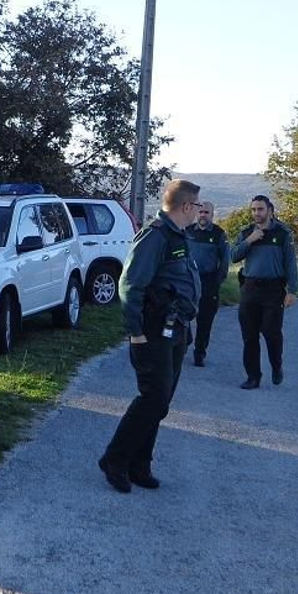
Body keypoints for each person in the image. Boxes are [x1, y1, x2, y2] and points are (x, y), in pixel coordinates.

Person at [98, 179, 202, 493]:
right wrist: (136, 332)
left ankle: (139, 465)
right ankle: (114, 460)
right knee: (152, 399)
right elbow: (130, 285)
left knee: (161, 403)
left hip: (176, 329)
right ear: (186, 206)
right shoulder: (155, 236)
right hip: (153, 332)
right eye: (198, 205)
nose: (200, 210)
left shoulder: (178, 237)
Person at [231, 193, 298, 389]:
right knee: (249, 336)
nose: (256, 213)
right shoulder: (246, 232)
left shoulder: (283, 233)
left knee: (271, 332)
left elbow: (290, 263)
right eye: (253, 209)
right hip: (250, 288)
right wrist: (250, 240)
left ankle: (276, 366)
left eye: (260, 209)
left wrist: (292, 290)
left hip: (273, 290)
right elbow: (233, 256)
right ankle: (253, 377)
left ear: (270, 210)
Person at [183, 199, 230, 368]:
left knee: (205, 321)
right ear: (197, 213)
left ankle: (199, 353)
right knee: (183, 315)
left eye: (206, 213)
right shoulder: (187, 231)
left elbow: (225, 261)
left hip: (209, 282)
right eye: (201, 212)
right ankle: (184, 341)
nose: (203, 215)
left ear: (212, 214)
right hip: (188, 281)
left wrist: (217, 281)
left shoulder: (219, 234)